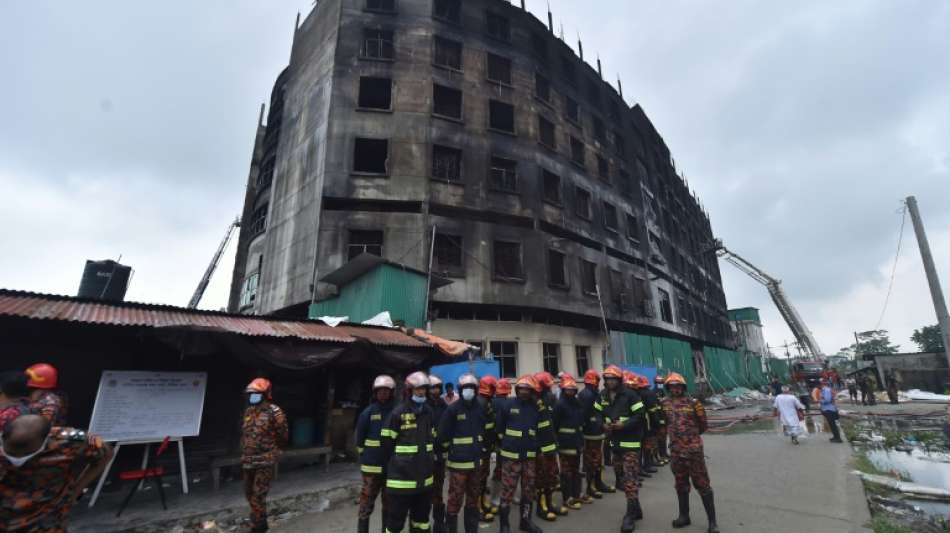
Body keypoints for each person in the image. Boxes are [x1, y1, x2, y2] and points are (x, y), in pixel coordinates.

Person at [0, 414, 114, 532]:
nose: (16, 458)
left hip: (46, 518)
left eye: (25, 453)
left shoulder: (72, 439)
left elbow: (107, 451)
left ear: (45, 440)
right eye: (10, 451)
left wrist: (76, 491)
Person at [662, 373, 719, 533]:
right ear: (668, 388)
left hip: (693, 452)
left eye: (678, 386)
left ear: (683, 387)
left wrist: (691, 439)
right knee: (680, 484)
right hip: (676, 452)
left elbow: (703, 425)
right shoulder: (664, 404)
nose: (675, 389)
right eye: (672, 386)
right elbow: (663, 423)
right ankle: (684, 516)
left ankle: (712, 523)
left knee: (703, 485)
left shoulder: (694, 403)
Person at [381, 371, 436, 533]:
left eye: (424, 389)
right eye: (418, 389)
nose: (422, 392)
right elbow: (386, 444)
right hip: (401, 482)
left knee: (421, 522)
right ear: (409, 390)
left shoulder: (428, 412)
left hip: (424, 481)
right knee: (395, 523)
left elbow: (432, 440)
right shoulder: (398, 413)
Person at [495, 375, 544, 533]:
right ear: (517, 389)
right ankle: (504, 525)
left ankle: (525, 522)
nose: (524, 392)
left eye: (527, 389)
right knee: (507, 491)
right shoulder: (508, 405)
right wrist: (506, 445)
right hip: (511, 458)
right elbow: (499, 429)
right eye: (521, 389)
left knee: (528, 490)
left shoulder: (535, 407)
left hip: (529, 457)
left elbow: (540, 429)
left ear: (531, 391)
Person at [438, 373, 485, 533]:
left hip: (476, 464)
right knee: (455, 500)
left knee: (473, 500)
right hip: (458, 465)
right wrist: (448, 452)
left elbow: (484, 431)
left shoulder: (480, 408)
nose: (469, 391)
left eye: (472, 388)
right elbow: (443, 435)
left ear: (476, 390)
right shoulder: (452, 409)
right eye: (466, 388)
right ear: (460, 389)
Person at [241, 378, 289, 533]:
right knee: (248, 493)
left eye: (256, 394)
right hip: (248, 460)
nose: (252, 397)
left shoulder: (275, 412)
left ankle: (258, 526)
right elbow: (246, 434)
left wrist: (276, 450)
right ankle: (261, 520)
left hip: (265, 460)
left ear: (266, 394)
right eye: (250, 394)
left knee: (258, 494)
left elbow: (283, 435)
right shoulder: (249, 412)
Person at [602, 365, 646, 532]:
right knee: (621, 478)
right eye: (607, 379)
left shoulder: (630, 395)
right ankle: (637, 509)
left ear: (619, 380)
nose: (610, 381)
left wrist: (624, 424)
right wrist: (602, 424)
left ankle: (630, 516)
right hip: (615, 444)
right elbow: (597, 412)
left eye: (613, 379)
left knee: (630, 478)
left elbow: (640, 415)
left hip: (630, 445)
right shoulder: (604, 395)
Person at [354, 374, 396, 533]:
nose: (383, 393)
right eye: (380, 391)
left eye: (386, 390)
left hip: (391, 467)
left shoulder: (396, 412)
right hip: (371, 468)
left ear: (392, 392)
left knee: (389, 505)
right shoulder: (368, 412)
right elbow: (360, 439)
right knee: (366, 504)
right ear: (375, 392)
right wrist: (365, 457)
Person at [533, 371, 563, 521]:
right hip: (539, 447)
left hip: (550, 444)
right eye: (548, 387)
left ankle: (549, 504)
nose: (551, 389)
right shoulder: (533, 401)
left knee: (551, 477)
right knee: (541, 478)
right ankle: (541, 506)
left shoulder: (550, 399)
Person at [552, 373, 585, 510]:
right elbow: (554, 425)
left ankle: (576, 495)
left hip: (576, 443)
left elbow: (579, 422)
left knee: (576, 471)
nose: (570, 391)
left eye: (572, 389)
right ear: (564, 390)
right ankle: (567, 498)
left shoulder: (577, 404)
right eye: (568, 389)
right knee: (566, 473)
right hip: (565, 444)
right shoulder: (560, 405)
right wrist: (557, 442)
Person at [579, 369, 610, 501]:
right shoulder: (587, 394)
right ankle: (590, 487)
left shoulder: (592, 393)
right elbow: (586, 415)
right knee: (592, 461)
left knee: (597, 460)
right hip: (591, 434)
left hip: (596, 432)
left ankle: (598, 483)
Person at [428, 375, 449, 533]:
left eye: (437, 387)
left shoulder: (443, 405)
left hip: (440, 456)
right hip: (424, 457)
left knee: (438, 490)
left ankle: (439, 523)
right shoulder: (422, 407)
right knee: (422, 491)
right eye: (432, 387)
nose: (435, 390)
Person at [476, 374, 498, 523]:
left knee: (483, 479)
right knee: (478, 481)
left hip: (486, 447)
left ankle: (483, 504)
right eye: (493, 387)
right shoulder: (481, 402)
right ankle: (478, 509)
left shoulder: (487, 401)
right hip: (481, 449)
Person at [489, 377, 510, 515]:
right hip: (507, 441)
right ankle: (497, 497)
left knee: (500, 468)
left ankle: (495, 498)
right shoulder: (507, 403)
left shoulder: (492, 402)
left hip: (496, 441)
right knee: (505, 469)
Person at [636, 375, 661, 477]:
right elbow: (653, 410)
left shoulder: (635, 393)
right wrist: (657, 423)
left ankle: (641, 466)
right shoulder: (649, 394)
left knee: (640, 446)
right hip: (648, 423)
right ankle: (647, 464)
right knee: (647, 444)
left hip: (639, 423)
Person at [653, 374, 670, 465]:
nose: (660, 384)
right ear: (655, 383)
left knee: (663, 438)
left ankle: (664, 453)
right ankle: (660, 455)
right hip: (659, 420)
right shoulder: (653, 393)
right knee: (659, 439)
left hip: (664, 418)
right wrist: (659, 421)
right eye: (658, 383)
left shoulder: (662, 392)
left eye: (661, 383)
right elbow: (656, 409)